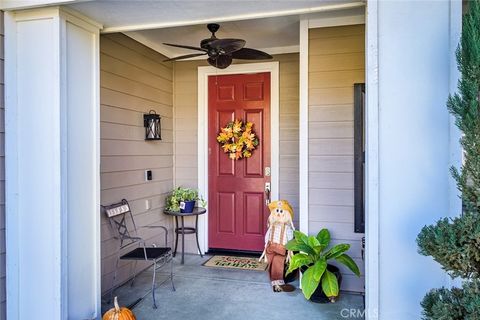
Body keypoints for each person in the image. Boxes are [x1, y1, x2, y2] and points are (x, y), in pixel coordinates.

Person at [259, 200, 295, 292]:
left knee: (277, 262)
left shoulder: (287, 228)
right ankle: (276, 281)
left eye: (281, 211)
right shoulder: (272, 225)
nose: (279, 213)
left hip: (281, 249)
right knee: (271, 262)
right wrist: (265, 246)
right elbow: (267, 236)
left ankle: (277, 283)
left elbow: (290, 239)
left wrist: (289, 250)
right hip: (271, 247)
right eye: (277, 211)